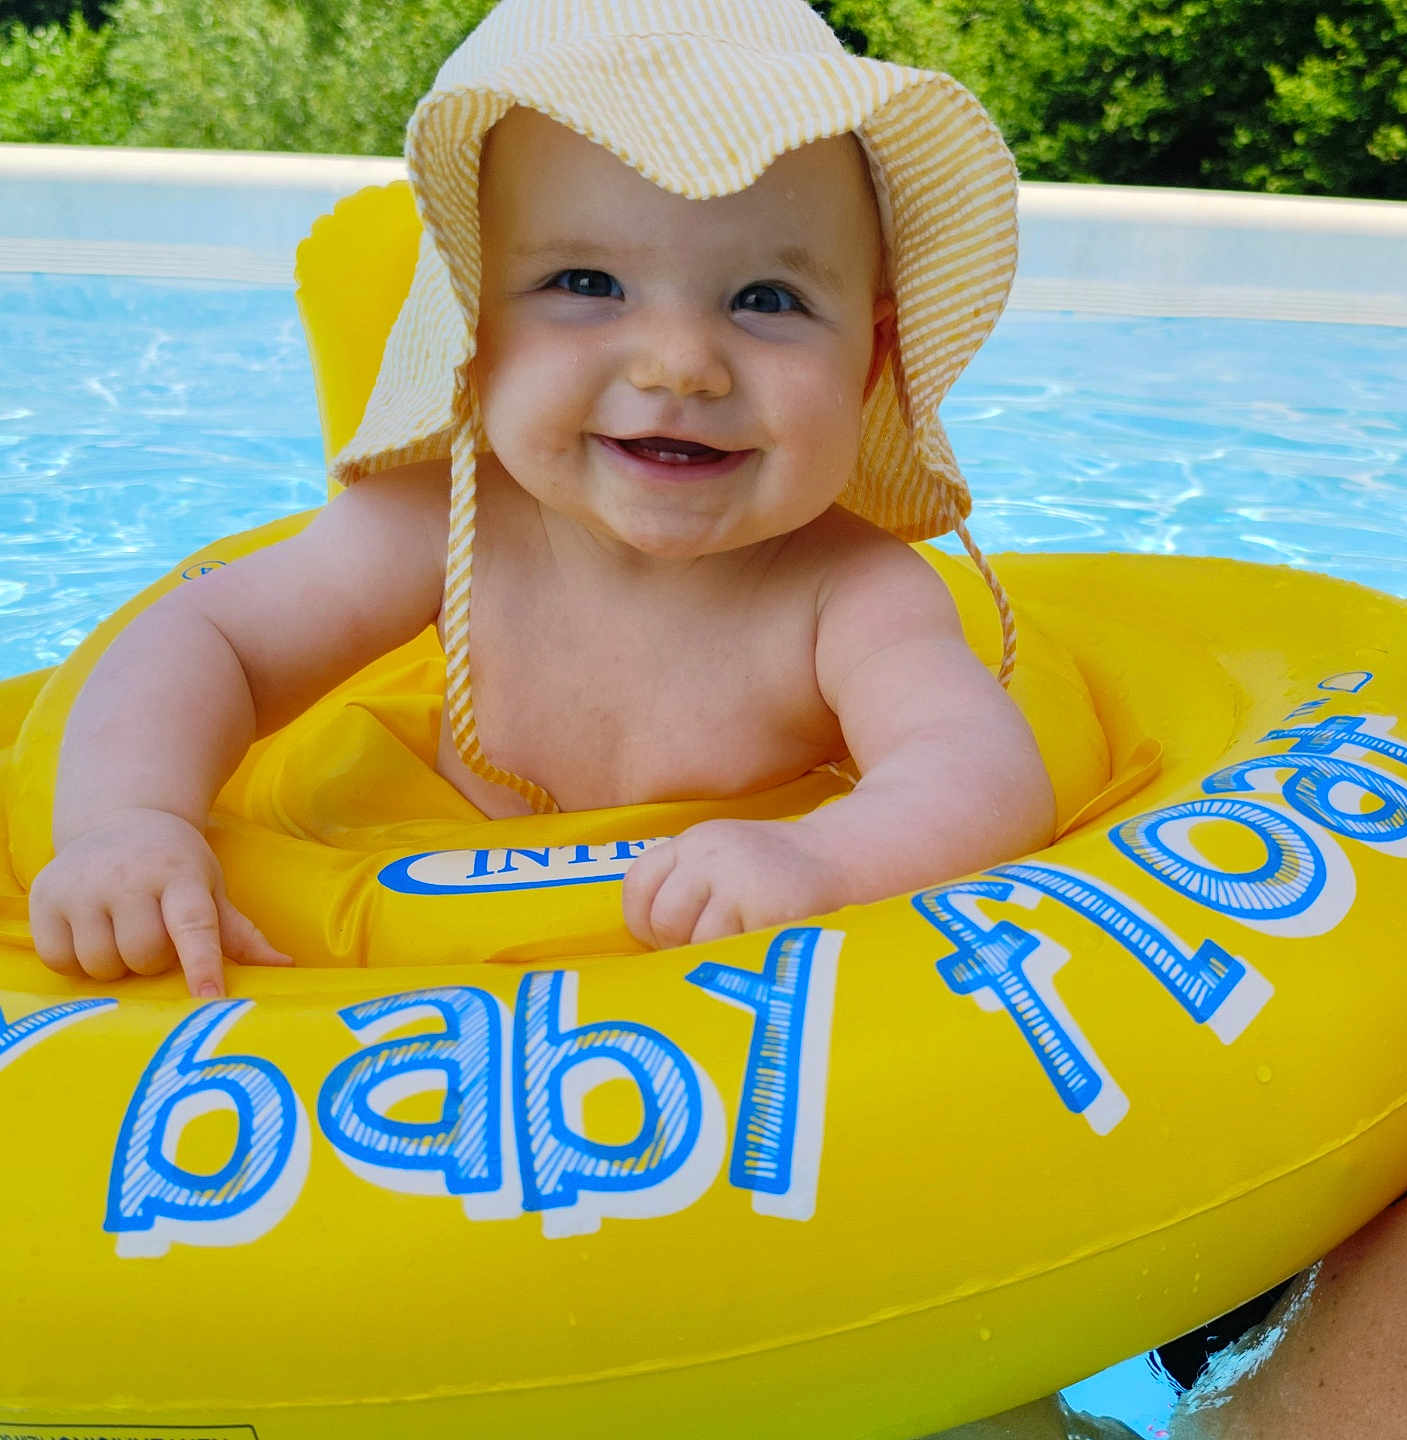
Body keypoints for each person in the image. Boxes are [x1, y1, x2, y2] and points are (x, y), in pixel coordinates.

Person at [25, 0, 1053, 1000]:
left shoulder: (853, 593)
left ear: (870, 360)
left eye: (767, 300)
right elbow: (208, 638)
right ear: (471, 327)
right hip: (415, 936)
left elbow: (978, 769)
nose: (680, 365)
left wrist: (822, 861)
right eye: (587, 283)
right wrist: (130, 823)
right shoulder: (446, 522)